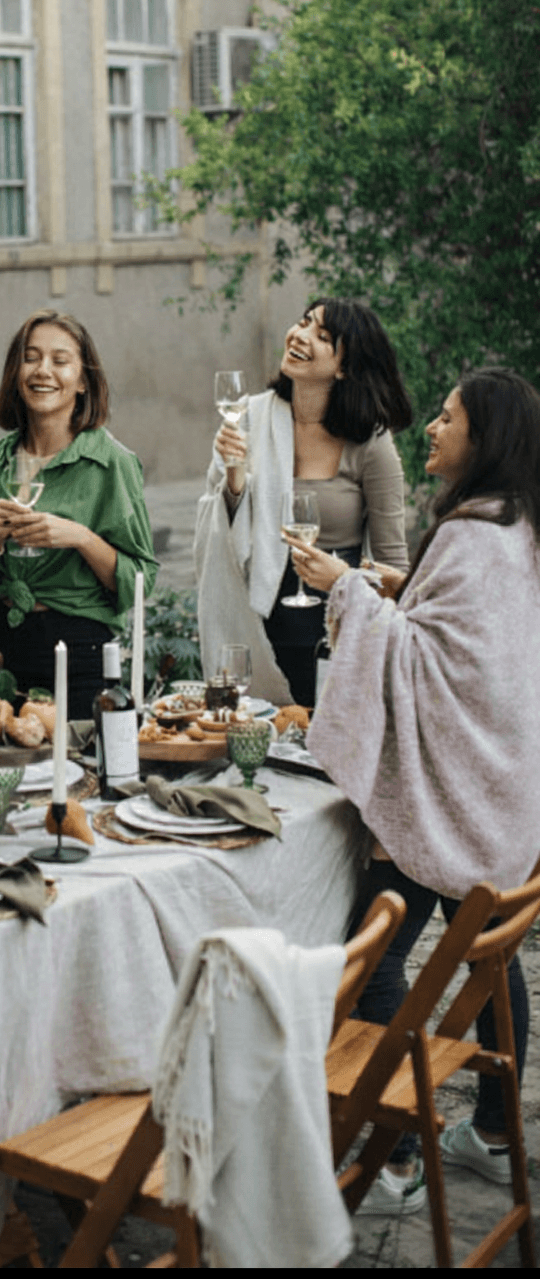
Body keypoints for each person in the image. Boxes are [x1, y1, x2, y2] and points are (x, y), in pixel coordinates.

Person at [296, 367, 540, 1213]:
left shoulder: (471, 533)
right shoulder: (519, 528)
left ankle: (391, 1160)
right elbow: (473, 644)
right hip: (500, 787)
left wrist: (343, 588)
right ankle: (498, 1137)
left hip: (439, 785)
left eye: (447, 417)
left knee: (372, 958)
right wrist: (397, 592)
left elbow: (431, 662)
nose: (432, 428)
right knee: (488, 952)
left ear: (485, 439)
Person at [194, 298, 412, 708]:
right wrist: (235, 475)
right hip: (256, 619)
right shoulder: (248, 417)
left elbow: (392, 562)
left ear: (345, 367)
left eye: (322, 336)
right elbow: (217, 528)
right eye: (303, 322)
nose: (300, 335)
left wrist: (347, 581)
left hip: (336, 627)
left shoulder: (370, 441)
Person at [0, 310, 158, 718]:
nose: (43, 370)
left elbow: (139, 580)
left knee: (78, 756)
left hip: (78, 652)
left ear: (83, 381)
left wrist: (80, 537)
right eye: (30, 358)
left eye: (60, 360)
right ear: (15, 372)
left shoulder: (112, 464)